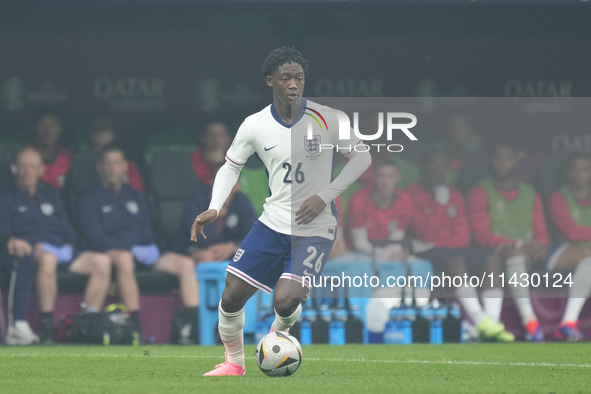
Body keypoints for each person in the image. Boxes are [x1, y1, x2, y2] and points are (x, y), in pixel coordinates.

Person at [191, 46, 371, 376]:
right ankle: (234, 363)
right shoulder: (254, 125)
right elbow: (231, 167)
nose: (293, 84)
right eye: (286, 78)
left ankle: (279, 336)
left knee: (285, 302)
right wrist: (215, 207)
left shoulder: (329, 118)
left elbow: (362, 157)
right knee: (231, 296)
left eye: (299, 78)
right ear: (270, 80)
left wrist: (325, 195)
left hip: (315, 226)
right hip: (272, 224)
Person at [78, 146, 199, 338]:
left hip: (143, 254)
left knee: (185, 264)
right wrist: (129, 249)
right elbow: (95, 238)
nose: (112, 168)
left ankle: (192, 325)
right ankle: (135, 324)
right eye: (108, 163)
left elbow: (147, 231)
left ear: (125, 167)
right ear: (100, 167)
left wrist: (149, 247)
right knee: (125, 259)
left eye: (117, 163)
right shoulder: (90, 197)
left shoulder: (134, 195)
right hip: (112, 253)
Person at [0, 148, 111, 344]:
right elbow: (5, 233)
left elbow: (67, 230)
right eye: (23, 166)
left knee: (102, 262)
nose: (27, 171)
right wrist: (13, 239)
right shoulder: (6, 197)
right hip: (34, 253)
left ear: (41, 170)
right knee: (48, 259)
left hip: (60, 251)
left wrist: (67, 247)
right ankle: (47, 326)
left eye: (32, 167)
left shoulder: (50, 194)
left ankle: (86, 322)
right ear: (15, 169)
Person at [408, 151, 514, 342]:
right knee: (457, 260)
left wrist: (436, 241)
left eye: (442, 165)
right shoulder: (411, 194)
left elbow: (463, 236)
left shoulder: (454, 194)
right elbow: (423, 232)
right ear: (423, 167)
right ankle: (480, 319)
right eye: (433, 164)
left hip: (449, 246)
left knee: (491, 258)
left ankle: (492, 322)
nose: (437, 170)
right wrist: (440, 206)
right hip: (426, 252)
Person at [468, 142, 549, 342]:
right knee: (513, 255)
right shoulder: (480, 191)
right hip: (491, 252)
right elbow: (481, 235)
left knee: (517, 256)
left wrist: (540, 246)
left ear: (515, 161)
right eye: (498, 158)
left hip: (528, 254)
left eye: (508, 158)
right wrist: (518, 245)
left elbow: (541, 232)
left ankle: (527, 322)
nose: (502, 163)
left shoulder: (530, 192)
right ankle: (528, 321)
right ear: (489, 161)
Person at [547, 153, 591, 341]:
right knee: (587, 255)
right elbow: (571, 233)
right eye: (575, 169)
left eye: (585, 169)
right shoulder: (558, 197)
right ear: (567, 172)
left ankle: (567, 323)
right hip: (561, 251)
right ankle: (567, 322)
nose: (580, 174)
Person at [176, 168, 256, 263]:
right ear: (211, 182)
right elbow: (201, 238)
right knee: (207, 257)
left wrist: (232, 246)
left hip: (231, 253)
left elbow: (254, 234)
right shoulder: (197, 200)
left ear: (237, 185)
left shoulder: (241, 201)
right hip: (195, 252)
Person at [89, 116, 145, 193]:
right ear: (92, 134)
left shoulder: (128, 165)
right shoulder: (83, 162)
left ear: (113, 134)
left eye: (106, 130)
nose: (101, 134)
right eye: (98, 131)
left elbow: (137, 192)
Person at [30, 109, 72, 190]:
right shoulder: (24, 157)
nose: (47, 130)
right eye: (42, 125)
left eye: (52, 125)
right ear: (35, 128)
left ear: (60, 129)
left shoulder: (69, 158)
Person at [191, 121, 233, 185]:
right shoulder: (192, 160)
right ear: (203, 138)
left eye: (221, 135)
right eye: (211, 134)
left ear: (229, 138)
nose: (216, 139)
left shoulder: (239, 159)